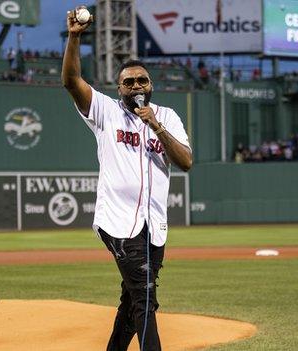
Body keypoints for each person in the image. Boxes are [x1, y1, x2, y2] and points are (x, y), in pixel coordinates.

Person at [61, 6, 192, 351]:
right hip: (117, 223)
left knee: (131, 301)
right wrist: (75, 38)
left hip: (155, 226)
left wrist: (156, 126)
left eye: (142, 80)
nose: (136, 85)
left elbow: (186, 162)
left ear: (151, 85)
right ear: (119, 88)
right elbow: (72, 81)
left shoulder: (167, 117)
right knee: (146, 300)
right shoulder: (105, 111)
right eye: (128, 81)